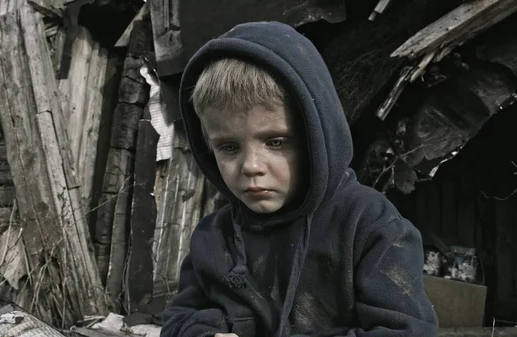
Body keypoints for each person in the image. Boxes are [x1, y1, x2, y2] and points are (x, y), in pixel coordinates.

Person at [160, 21, 438, 337]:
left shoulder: (370, 225)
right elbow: (179, 320)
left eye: (276, 141)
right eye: (229, 146)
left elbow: (406, 332)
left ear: (316, 138)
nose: (250, 166)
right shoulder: (214, 237)